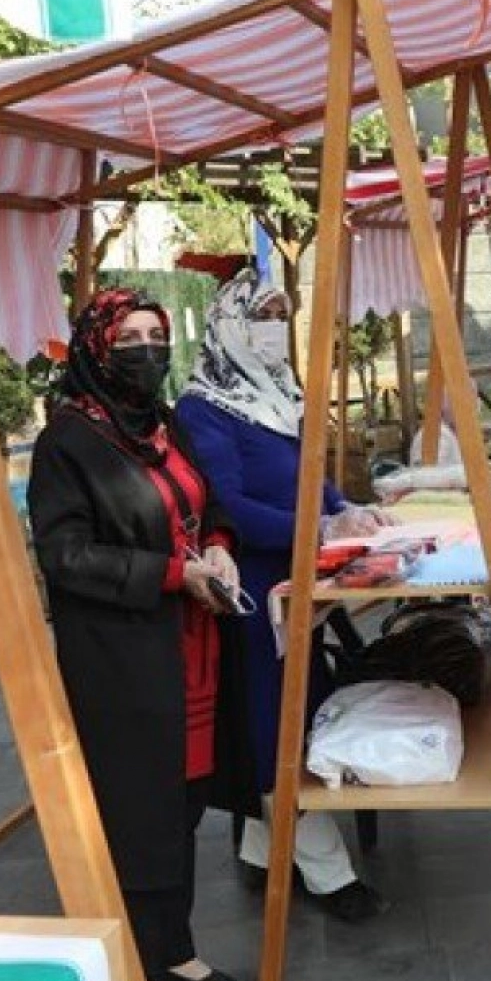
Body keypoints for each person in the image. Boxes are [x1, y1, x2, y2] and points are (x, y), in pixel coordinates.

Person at [30, 289, 243, 981]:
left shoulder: (164, 422)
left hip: (191, 648)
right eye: (131, 337)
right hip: (123, 660)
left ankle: (174, 944)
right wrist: (171, 574)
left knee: (182, 804)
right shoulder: (67, 439)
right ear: (96, 345)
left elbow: (203, 502)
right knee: (135, 818)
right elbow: (63, 555)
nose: (148, 349)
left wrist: (217, 545)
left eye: (158, 334)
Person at [174, 269, 389, 924]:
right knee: (277, 722)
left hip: (301, 573)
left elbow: (309, 475)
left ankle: (265, 849)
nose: (274, 325)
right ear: (230, 322)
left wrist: (344, 509)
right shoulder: (203, 405)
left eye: (280, 313)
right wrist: (318, 527)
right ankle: (327, 871)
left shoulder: (277, 389)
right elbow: (227, 502)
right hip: (251, 587)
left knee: (304, 705)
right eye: (262, 313)